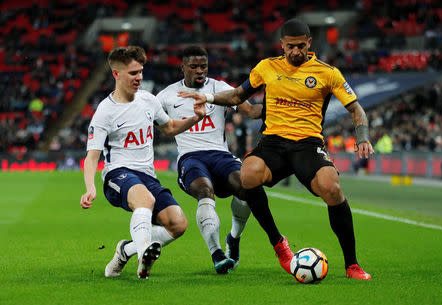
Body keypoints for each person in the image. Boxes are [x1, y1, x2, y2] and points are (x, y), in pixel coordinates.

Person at [179, 19, 374, 280]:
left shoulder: (327, 73)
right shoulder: (267, 67)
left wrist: (362, 136)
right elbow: (237, 96)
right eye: (290, 46)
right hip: (272, 142)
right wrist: (210, 97)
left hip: (308, 144)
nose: (295, 51)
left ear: (309, 44)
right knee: (247, 176)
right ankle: (279, 243)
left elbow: (355, 108)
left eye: (301, 46)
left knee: (332, 188)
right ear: (281, 44)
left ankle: (352, 264)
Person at [80, 46, 206, 279]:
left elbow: (169, 127)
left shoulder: (148, 100)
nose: (139, 77)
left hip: (147, 175)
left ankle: (126, 250)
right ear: (116, 74)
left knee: (177, 224)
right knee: (145, 200)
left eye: (140, 72)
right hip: (118, 174)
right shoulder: (105, 112)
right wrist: (90, 188)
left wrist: (195, 118)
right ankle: (144, 253)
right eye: (132, 73)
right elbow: (92, 156)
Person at [157, 46, 262, 274]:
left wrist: (281, 104)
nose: (199, 71)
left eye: (203, 66)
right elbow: (149, 121)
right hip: (190, 157)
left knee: (247, 187)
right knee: (205, 192)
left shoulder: (220, 88)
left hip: (221, 155)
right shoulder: (165, 96)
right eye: (193, 66)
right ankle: (216, 253)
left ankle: (233, 238)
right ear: (182, 67)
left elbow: (251, 111)